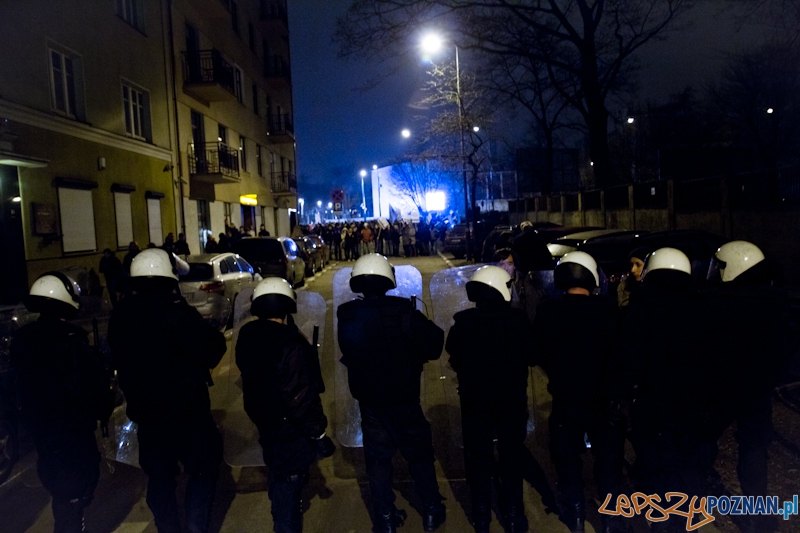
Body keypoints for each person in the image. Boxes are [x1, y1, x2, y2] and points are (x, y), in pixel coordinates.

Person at [108, 248, 227, 533]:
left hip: (147, 415)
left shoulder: (120, 315)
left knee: (159, 477)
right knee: (202, 469)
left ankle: (168, 528)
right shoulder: (176, 313)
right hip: (187, 412)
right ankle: (195, 528)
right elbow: (209, 351)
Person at [607, 247, 718, 533]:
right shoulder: (704, 309)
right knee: (688, 463)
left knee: (656, 465)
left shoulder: (640, 308)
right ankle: (684, 519)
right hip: (694, 404)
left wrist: (619, 396)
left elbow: (626, 357)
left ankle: (662, 520)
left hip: (653, 404)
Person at [338, 254, 446, 533]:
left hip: (370, 402)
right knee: (419, 456)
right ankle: (432, 510)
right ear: (388, 278)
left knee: (377, 460)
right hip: (404, 400)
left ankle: (385, 519)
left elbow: (349, 352)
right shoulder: (403, 311)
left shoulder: (347, 314)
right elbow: (434, 345)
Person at [10, 272, 114, 533]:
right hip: (72, 432)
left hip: (41, 432)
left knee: (61, 490)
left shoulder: (23, 341)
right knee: (74, 494)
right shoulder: (72, 343)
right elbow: (95, 388)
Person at [531, 252, 626, 533]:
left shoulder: (548, 312)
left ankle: (574, 514)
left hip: (565, 397)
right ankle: (611, 519)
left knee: (566, 457)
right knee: (609, 459)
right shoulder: (609, 309)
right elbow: (621, 353)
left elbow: (537, 353)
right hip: (603, 398)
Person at [704, 241, 791, 533]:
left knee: (703, 436)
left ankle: (702, 481)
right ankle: (757, 513)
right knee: (754, 448)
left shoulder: (720, 301)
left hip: (723, 387)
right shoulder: (776, 301)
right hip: (758, 388)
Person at [236, 278, 335, 533]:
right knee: (288, 483)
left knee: (278, 472)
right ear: (287, 306)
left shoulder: (247, 335)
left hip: (263, 419)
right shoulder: (290, 343)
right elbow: (300, 396)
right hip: (289, 427)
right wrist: (319, 433)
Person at [445, 266, 536, 532]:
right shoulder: (517, 321)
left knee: (478, 459)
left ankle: (481, 515)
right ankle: (514, 515)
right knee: (511, 457)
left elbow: (453, 355)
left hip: (475, 403)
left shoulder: (463, 321)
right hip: (511, 403)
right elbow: (533, 356)